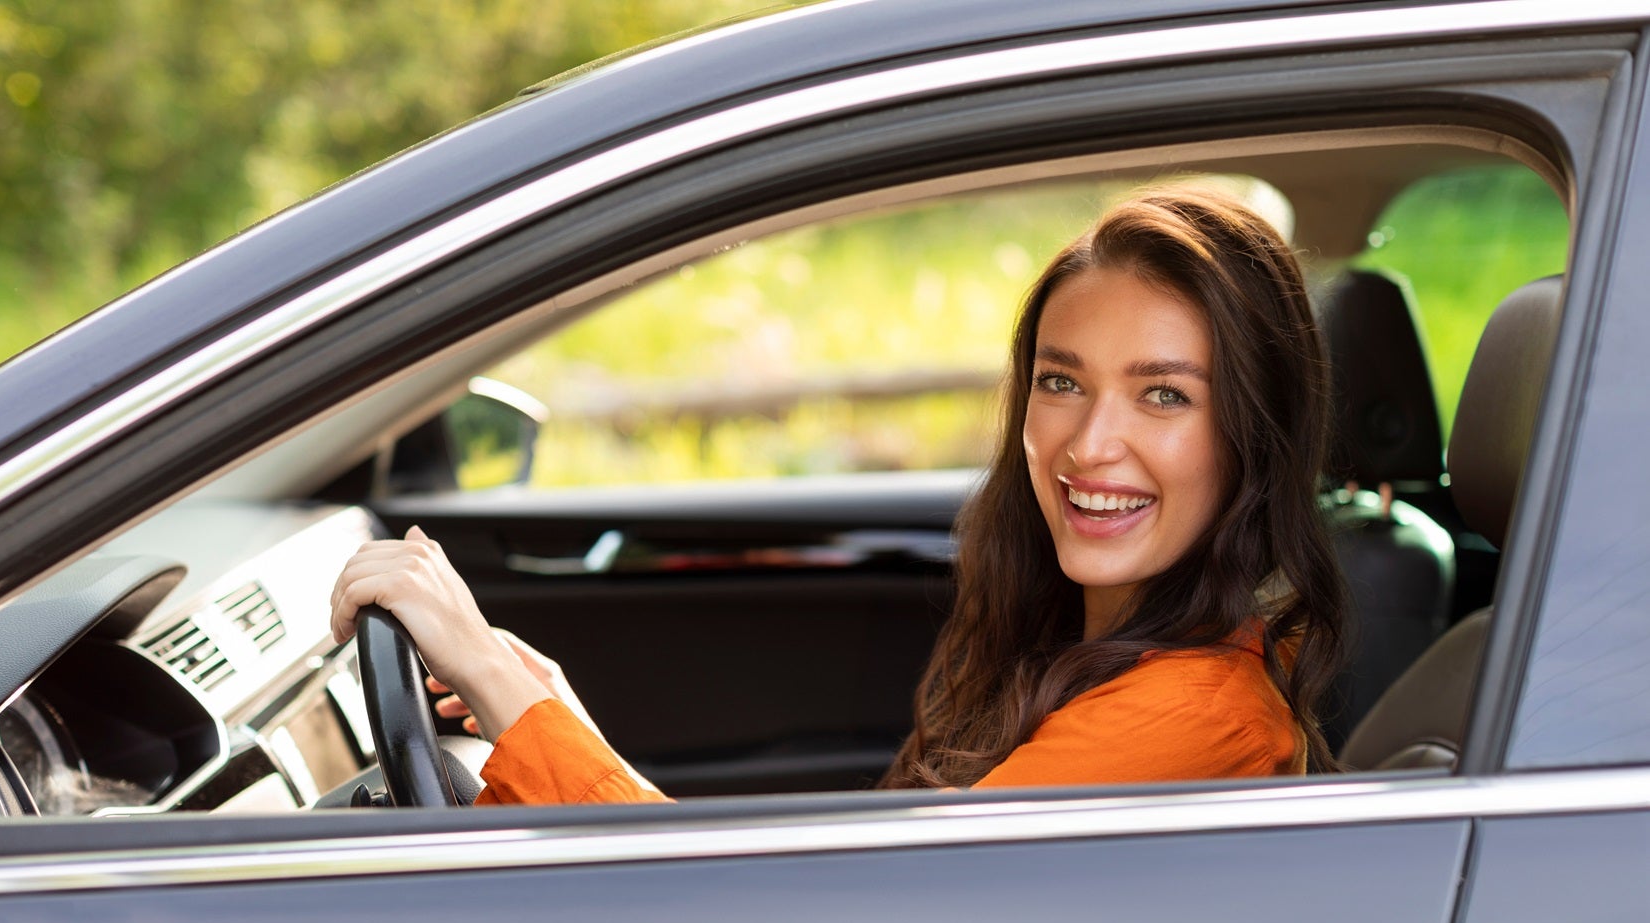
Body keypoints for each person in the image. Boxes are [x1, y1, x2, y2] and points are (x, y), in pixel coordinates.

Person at [328, 185, 1348, 806]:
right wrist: (545, 708)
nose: (1087, 441)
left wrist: (513, 704)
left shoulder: (1191, 713)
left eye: (1162, 393)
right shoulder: (1089, 661)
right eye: (1060, 379)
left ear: (1249, 437)